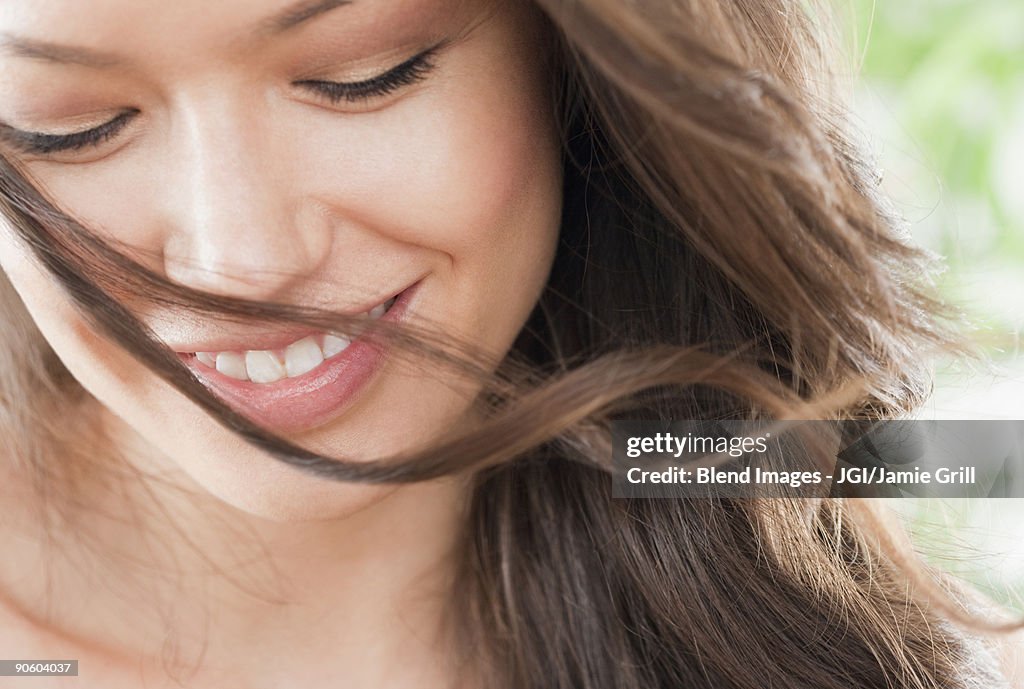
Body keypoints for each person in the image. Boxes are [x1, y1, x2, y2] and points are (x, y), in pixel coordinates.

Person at [0, 0, 1016, 687]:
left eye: (365, 74)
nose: (244, 259)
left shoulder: (680, 453)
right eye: (67, 129)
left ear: (564, 52)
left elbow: (953, 455)